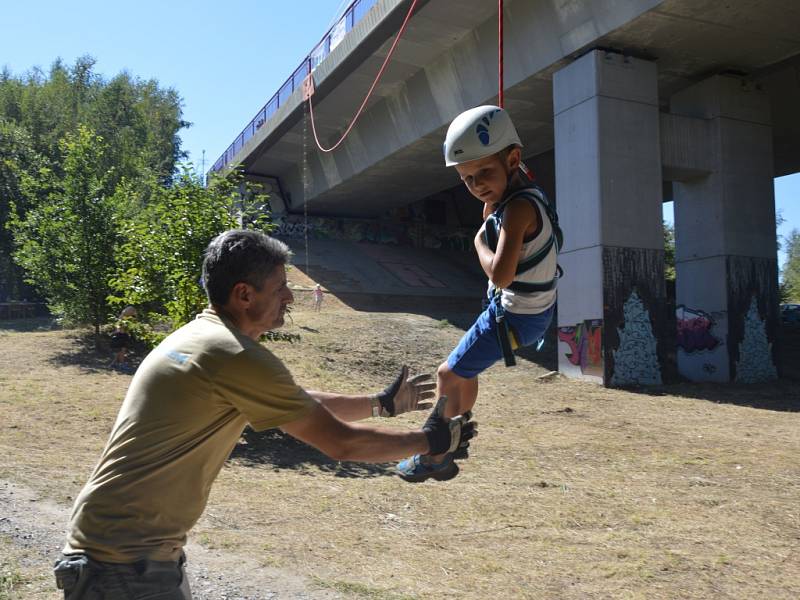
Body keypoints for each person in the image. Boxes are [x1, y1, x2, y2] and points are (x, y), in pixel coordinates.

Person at [54, 229, 476, 599]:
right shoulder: (234, 354)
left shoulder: (204, 337)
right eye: (280, 288)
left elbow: (297, 399)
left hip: (121, 552)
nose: (290, 297)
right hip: (125, 565)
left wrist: (379, 404)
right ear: (244, 295)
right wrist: (431, 441)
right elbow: (341, 444)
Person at [396, 105, 560, 483]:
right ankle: (456, 433)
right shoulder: (526, 196)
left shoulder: (518, 210)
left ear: (513, 158)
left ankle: (434, 455)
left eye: (485, 172)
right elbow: (504, 201)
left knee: (448, 372)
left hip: (515, 313)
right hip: (531, 313)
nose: (478, 185)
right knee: (465, 374)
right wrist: (493, 205)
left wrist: (478, 242)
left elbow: (501, 276)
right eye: (468, 179)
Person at [108, 306, 137, 371]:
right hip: (120, 335)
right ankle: (120, 364)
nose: (133, 313)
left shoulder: (128, 317)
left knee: (121, 351)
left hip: (123, 335)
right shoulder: (122, 317)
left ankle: (113, 364)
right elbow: (119, 327)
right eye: (132, 311)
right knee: (121, 350)